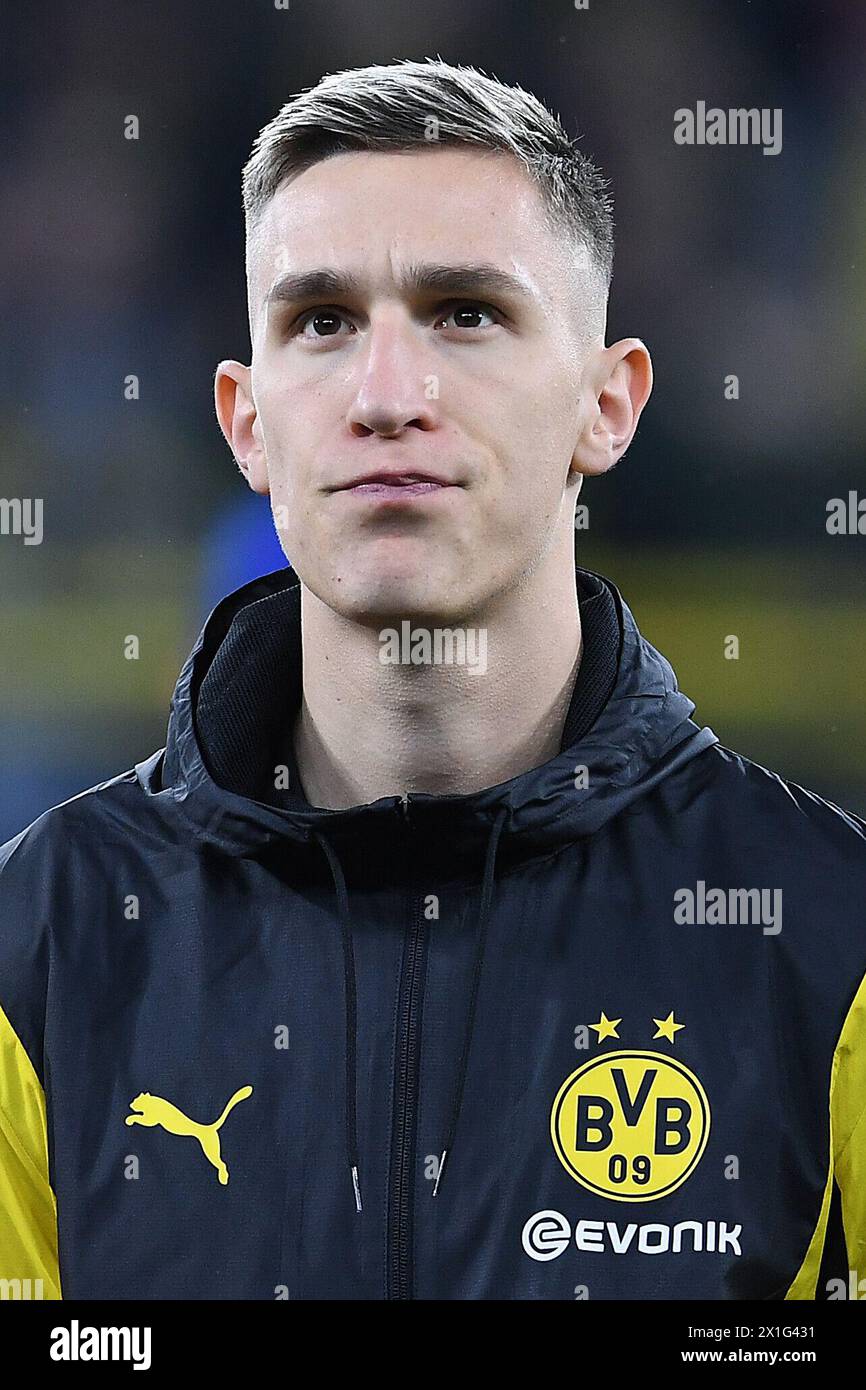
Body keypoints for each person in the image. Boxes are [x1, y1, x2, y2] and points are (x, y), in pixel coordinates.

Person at [2, 58, 865, 1303]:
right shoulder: (40, 950)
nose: (386, 397)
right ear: (247, 422)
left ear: (605, 405)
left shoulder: (829, 942)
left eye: (464, 312)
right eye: (321, 322)